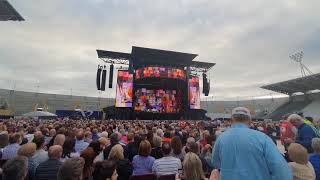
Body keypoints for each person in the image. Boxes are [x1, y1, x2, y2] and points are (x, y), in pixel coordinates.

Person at [212, 107, 292, 180]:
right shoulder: (262, 138)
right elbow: (281, 170)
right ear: (250, 121)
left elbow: (216, 163)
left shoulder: (221, 138)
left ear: (231, 121)